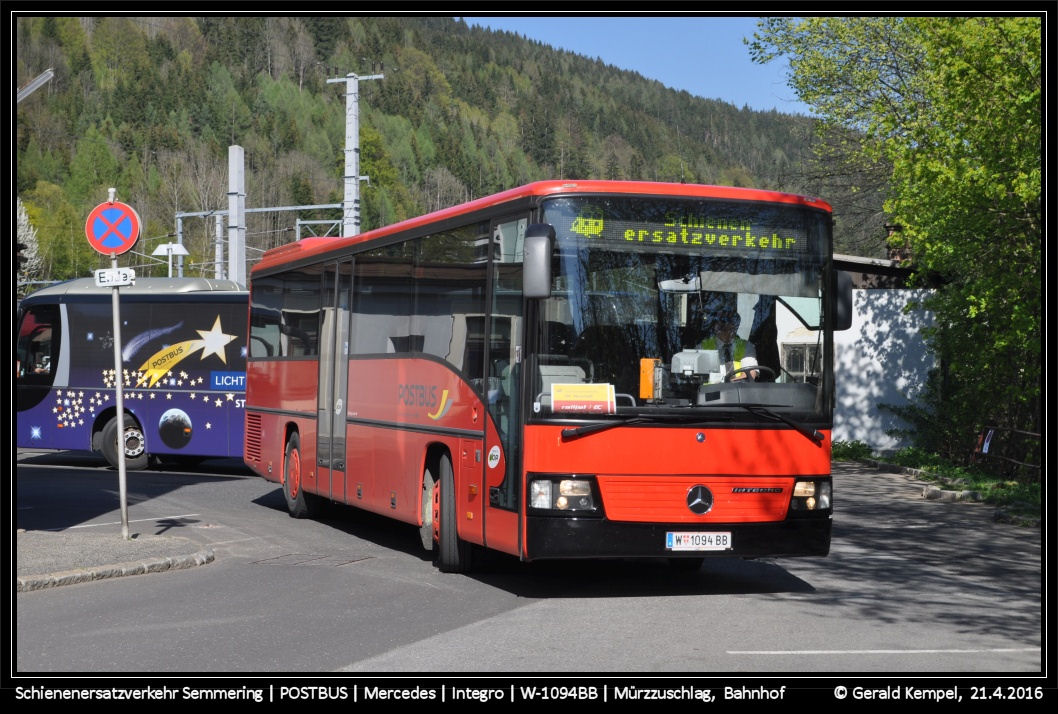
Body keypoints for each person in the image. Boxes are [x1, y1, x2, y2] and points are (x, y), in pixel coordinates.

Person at [701, 310, 758, 381]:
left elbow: (749, 375)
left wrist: (728, 384)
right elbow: (698, 377)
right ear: (715, 326)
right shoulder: (703, 347)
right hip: (710, 388)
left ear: (736, 327)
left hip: (739, 388)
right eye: (722, 322)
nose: (726, 326)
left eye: (731, 322)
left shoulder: (746, 346)